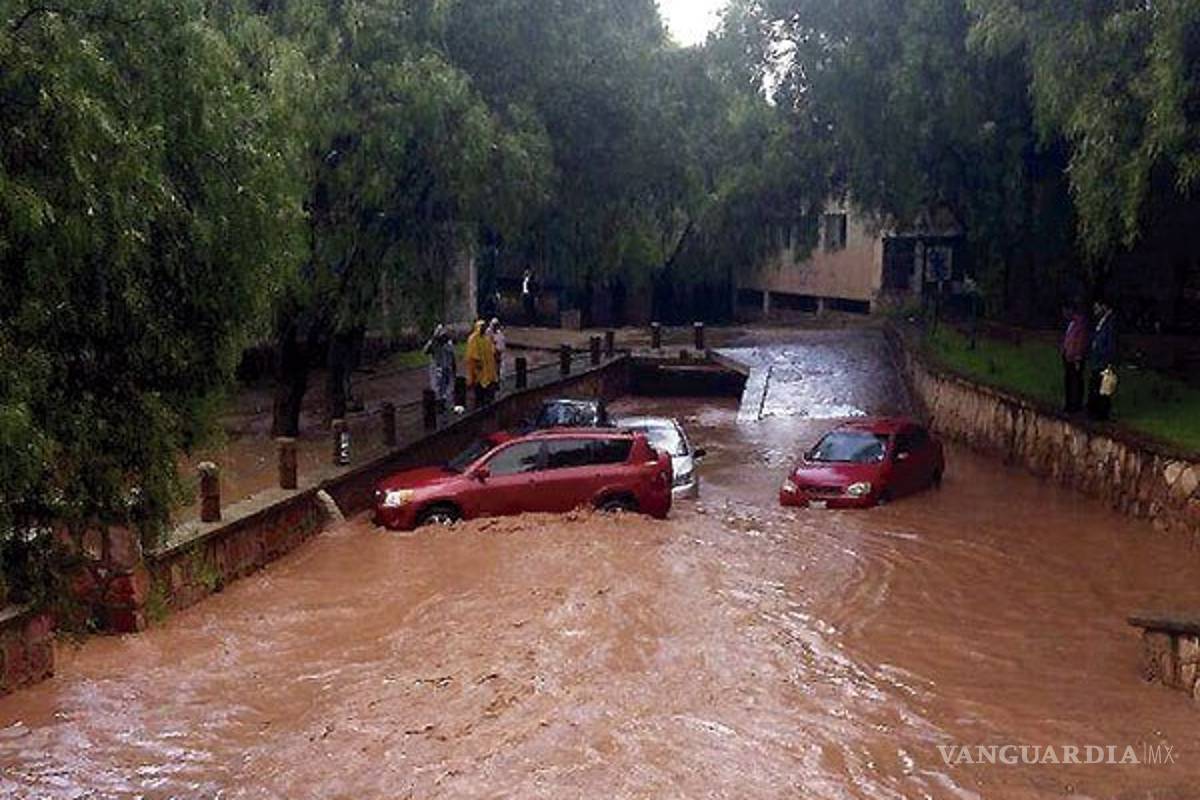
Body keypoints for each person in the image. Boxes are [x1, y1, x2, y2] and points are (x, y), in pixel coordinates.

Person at [1087, 299, 1117, 421]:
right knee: (1095, 385)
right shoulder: (1100, 323)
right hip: (1097, 360)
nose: (1095, 311)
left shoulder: (1110, 324)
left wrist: (1107, 359)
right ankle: (1094, 410)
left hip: (1102, 361)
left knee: (1103, 388)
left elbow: (1110, 343)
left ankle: (1101, 414)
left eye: (1097, 307)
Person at [1061, 304, 1088, 413]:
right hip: (1068, 357)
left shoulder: (1079, 324)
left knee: (1075, 381)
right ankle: (1069, 404)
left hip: (1075, 358)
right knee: (1069, 380)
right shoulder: (1071, 324)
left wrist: (1077, 356)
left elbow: (1080, 341)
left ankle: (1075, 405)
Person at [465, 319, 498, 408]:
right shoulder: (473, 338)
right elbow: (472, 354)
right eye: (482, 327)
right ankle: (478, 403)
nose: (483, 328)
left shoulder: (486, 338)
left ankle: (487, 402)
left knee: (488, 385)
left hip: (488, 367)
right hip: (478, 368)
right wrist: (477, 362)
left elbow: (492, 351)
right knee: (478, 385)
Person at [488, 318, 506, 384]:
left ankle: (498, 380)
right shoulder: (489, 333)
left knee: (498, 367)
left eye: (497, 325)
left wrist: (500, 351)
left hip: (499, 353)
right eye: (494, 325)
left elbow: (502, 344)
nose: (496, 327)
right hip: (492, 353)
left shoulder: (500, 333)